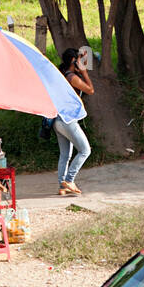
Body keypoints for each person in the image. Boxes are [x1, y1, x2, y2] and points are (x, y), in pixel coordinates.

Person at [55, 48, 94, 196]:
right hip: (68, 120)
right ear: (74, 61)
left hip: (58, 120)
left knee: (65, 155)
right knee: (85, 150)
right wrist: (84, 72)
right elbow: (90, 90)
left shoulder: (61, 75)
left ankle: (62, 186)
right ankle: (70, 180)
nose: (83, 62)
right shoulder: (72, 77)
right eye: (80, 59)